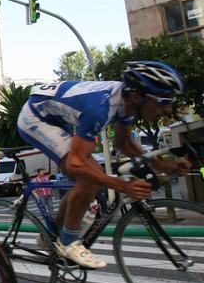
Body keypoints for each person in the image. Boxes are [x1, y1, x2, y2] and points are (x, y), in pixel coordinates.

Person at [17, 61, 190, 269]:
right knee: (90, 178)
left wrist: (164, 166)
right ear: (138, 96)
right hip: (34, 118)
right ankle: (68, 242)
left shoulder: (126, 102)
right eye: (164, 101)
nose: (168, 109)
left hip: (53, 116)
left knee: (90, 177)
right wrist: (122, 185)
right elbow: (75, 164)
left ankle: (52, 233)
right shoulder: (100, 109)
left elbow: (124, 143)